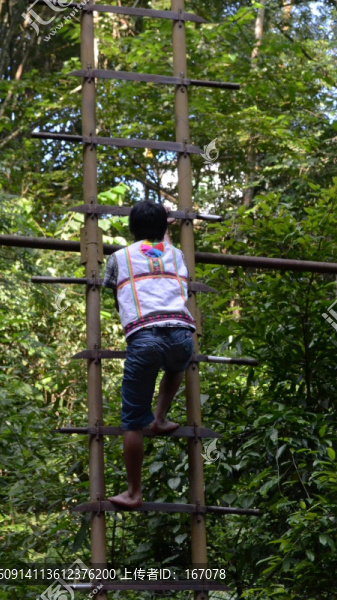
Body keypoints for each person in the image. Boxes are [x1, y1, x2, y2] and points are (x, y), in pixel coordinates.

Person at [102, 200, 196, 509]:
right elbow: (158, 248)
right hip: (182, 334)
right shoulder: (177, 254)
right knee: (177, 363)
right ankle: (160, 417)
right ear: (164, 228)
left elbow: (113, 292)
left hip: (144, 338)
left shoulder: (119, 258)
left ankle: (134, 492)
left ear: (131, 229)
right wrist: (164, 226)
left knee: (131, 422)